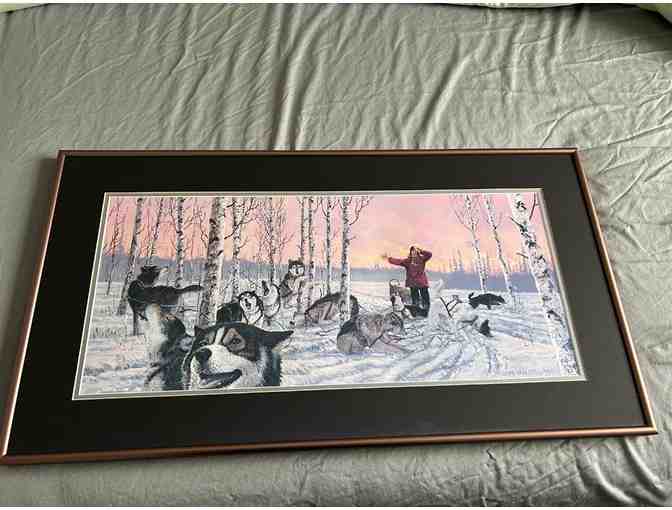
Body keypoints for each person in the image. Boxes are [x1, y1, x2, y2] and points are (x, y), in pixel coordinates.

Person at [382, 246, 432, 311]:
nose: (413, 253)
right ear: (410, 253)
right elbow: (398, 261)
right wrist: (388, 258)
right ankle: (416, 307)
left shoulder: (422, 259)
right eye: (412, 252)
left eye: (415, 252)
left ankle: (426, 308)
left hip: (422, 282)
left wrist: (422, 251)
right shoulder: (408, 261)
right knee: (415, 298)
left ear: (417, 252)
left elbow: (429, 254)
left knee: (425, 296)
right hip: (413, 283)